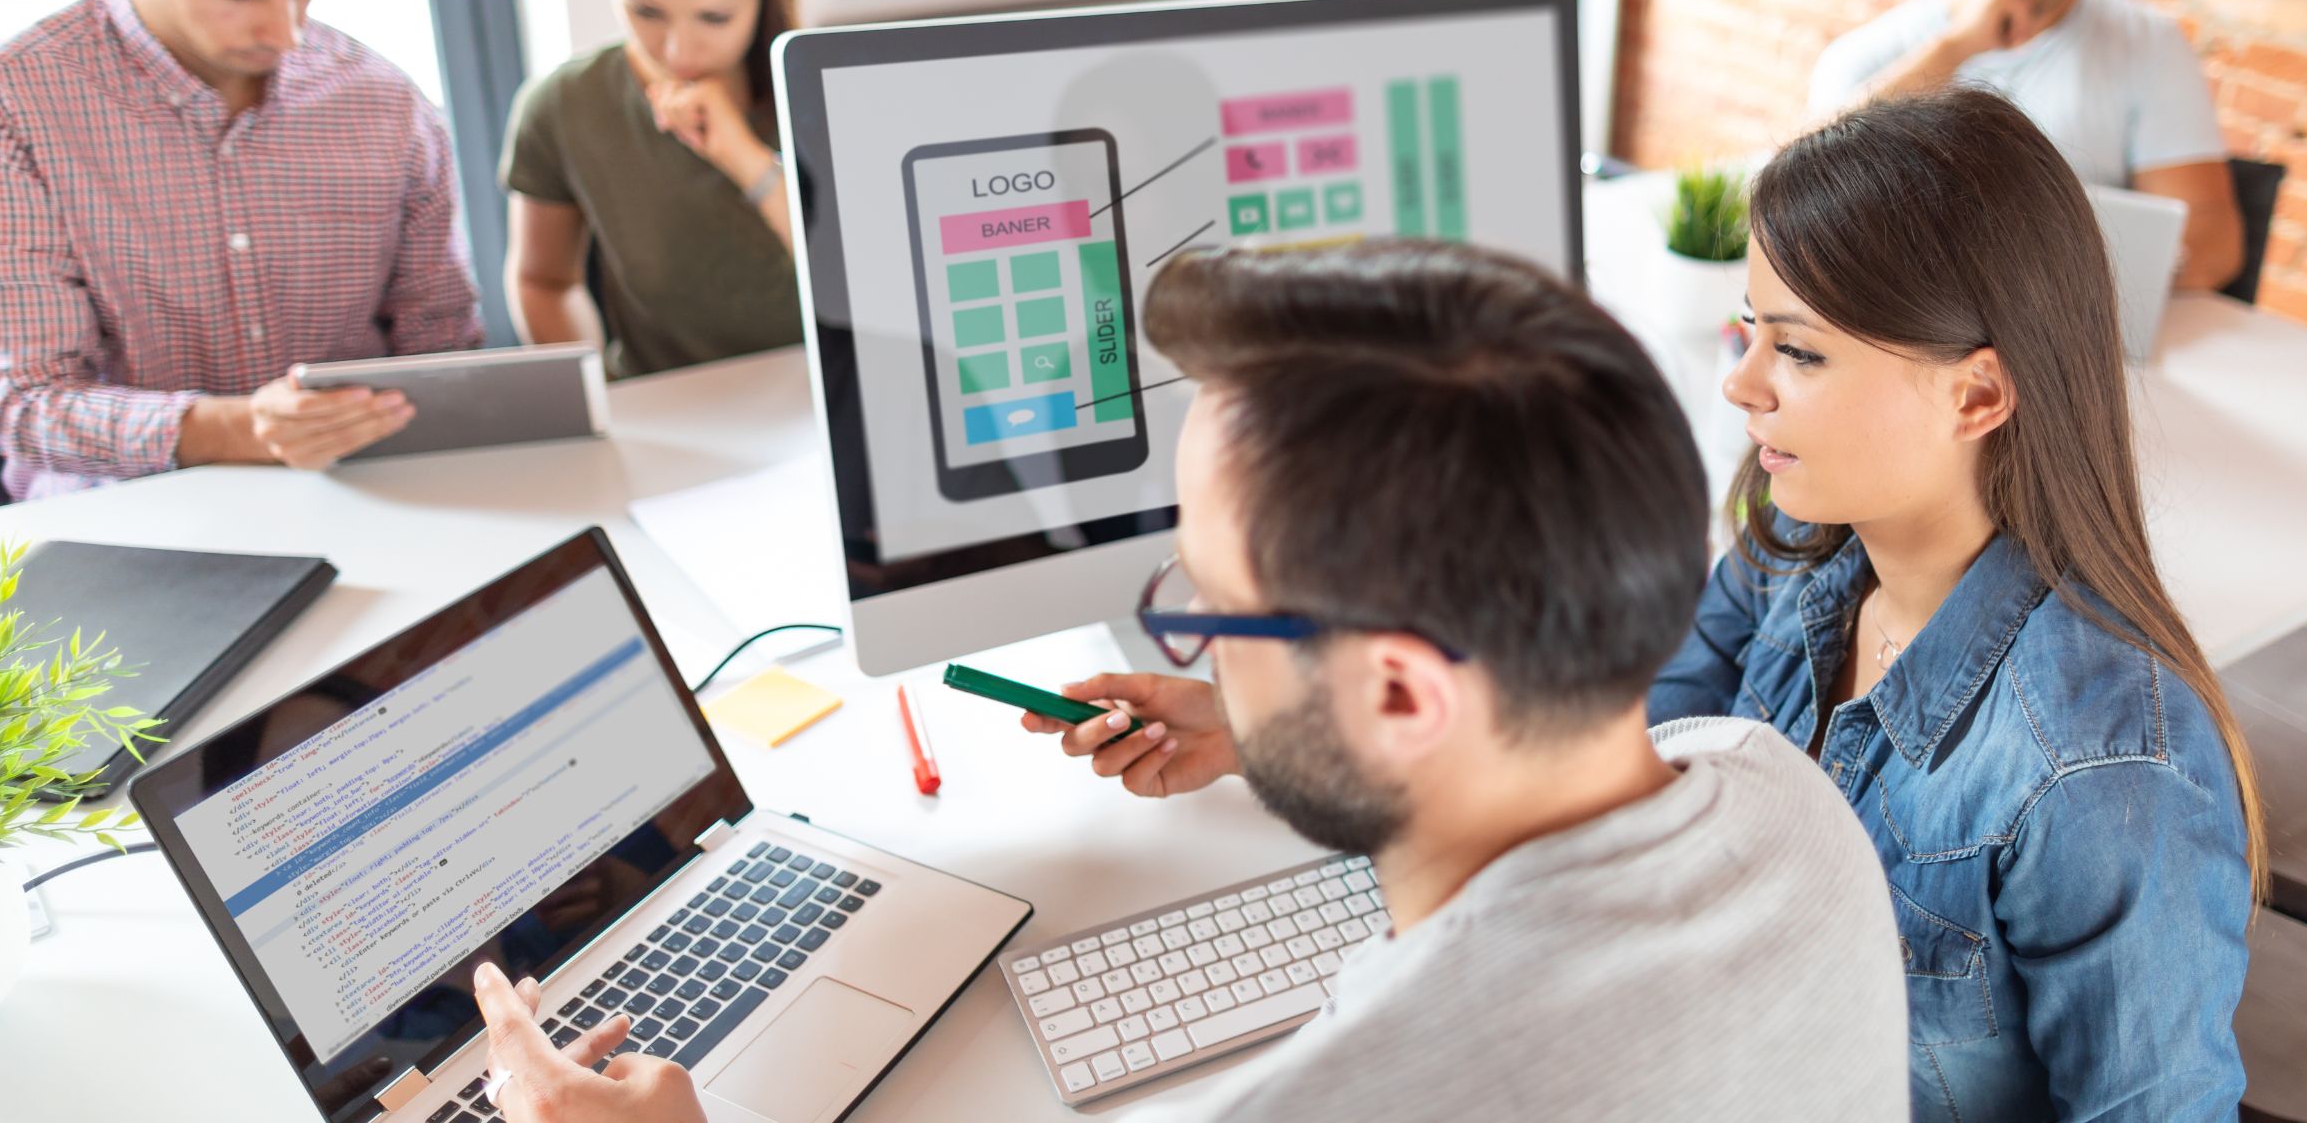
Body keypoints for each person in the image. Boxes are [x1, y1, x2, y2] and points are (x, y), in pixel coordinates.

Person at [467, 239, 1913, 1121]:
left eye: (1215, 610)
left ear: (1406, 695)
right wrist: (1268, 726)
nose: (1196, 642)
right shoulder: (1777, 791)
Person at [1648, 87, 2261, 1121]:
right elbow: (1654, 748)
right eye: (1749, 331)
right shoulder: (1795, 545)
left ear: (1977, 395)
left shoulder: (2101, 777)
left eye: (1796, 351)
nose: (1742, 384)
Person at [0, 0, 483, 499]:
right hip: (123, 514)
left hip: (368, 492)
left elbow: (440, 344)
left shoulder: (387, 101)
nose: (285, 32)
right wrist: (245, 430)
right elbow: (26, 401)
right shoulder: (3, 100)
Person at [1808, 0, 2243, 291]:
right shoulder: (1870, 52)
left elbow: (2215, 245)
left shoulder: (2148, 45)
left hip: (2066, 331)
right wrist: (1954, 48)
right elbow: (1805, 183)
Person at [499, 0, 804, 380]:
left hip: (822, 391)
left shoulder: (825, 85)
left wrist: (743, 155)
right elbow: (545, 281)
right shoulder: (563, 106)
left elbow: (863, 283)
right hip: (660, 404)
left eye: (714, 18)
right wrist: (598, 391)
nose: (678, 49)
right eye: (646, 11)